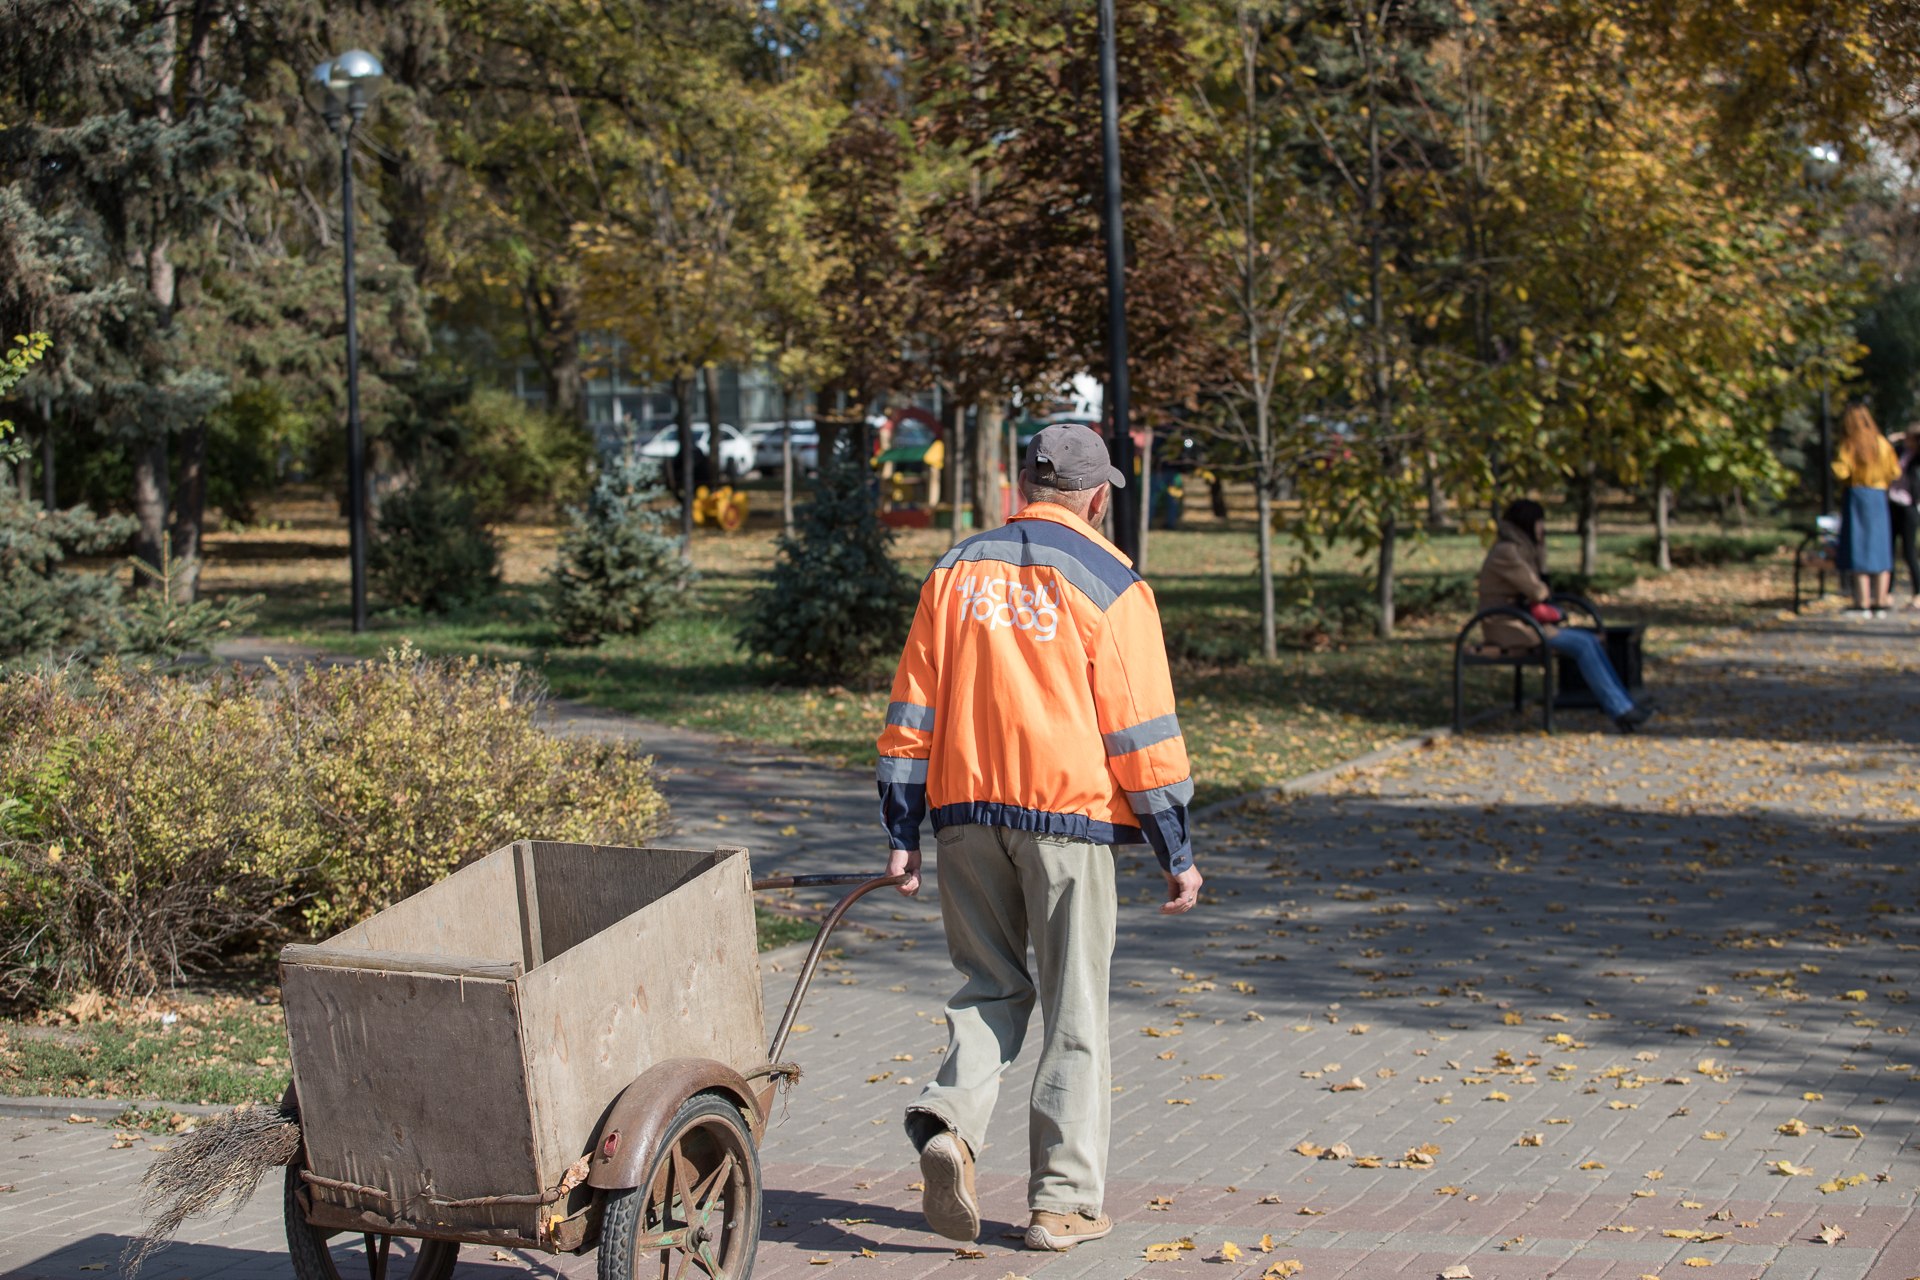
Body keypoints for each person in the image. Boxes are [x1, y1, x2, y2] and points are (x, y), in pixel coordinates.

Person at [875, 423, 1203, 1253]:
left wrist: (901, 826)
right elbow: (1141, 730)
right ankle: (1062, 1204)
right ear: (1097, 497)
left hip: (963, 816)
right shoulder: (1113, 581)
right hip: (1067, 820)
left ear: (1027, 484)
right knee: (1074, 1013)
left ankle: (950, 1120)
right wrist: (1175, 846)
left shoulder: (953, 570)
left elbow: (912, 709)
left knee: (989, 989)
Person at [1477, 499, 1653, 732]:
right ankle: (1620, 709)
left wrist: (1542, 557)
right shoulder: (1506, 552)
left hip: (1523, 622)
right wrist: (1541, 567)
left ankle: (1623, 706)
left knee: (1588, 640)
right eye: (1540, 523)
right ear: (1529, 523)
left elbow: (1541, 590)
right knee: (1583, 643)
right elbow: (1538, 591)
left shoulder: (1521, 549)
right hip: (1505, 625)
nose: (1543, 529)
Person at [1831, 403, 1901, 618]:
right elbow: (1894, 471)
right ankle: (1880, 603)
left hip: (1858, 495)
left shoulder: (1850, 444)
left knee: (1858, 547)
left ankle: (1862, 604)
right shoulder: (1882, 443)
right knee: (1881, 548)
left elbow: (1841, 470)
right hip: (1879, 496)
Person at [1888, 426, 1919, 609]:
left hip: (1909, 507)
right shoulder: (1899, 452)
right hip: (1892, 505)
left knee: (1909, 552)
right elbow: (1883, 446)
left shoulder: (1917, 458)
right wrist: (1897, 437)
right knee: (1889, 551)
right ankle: (1888, 592)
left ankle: (1917, 593)